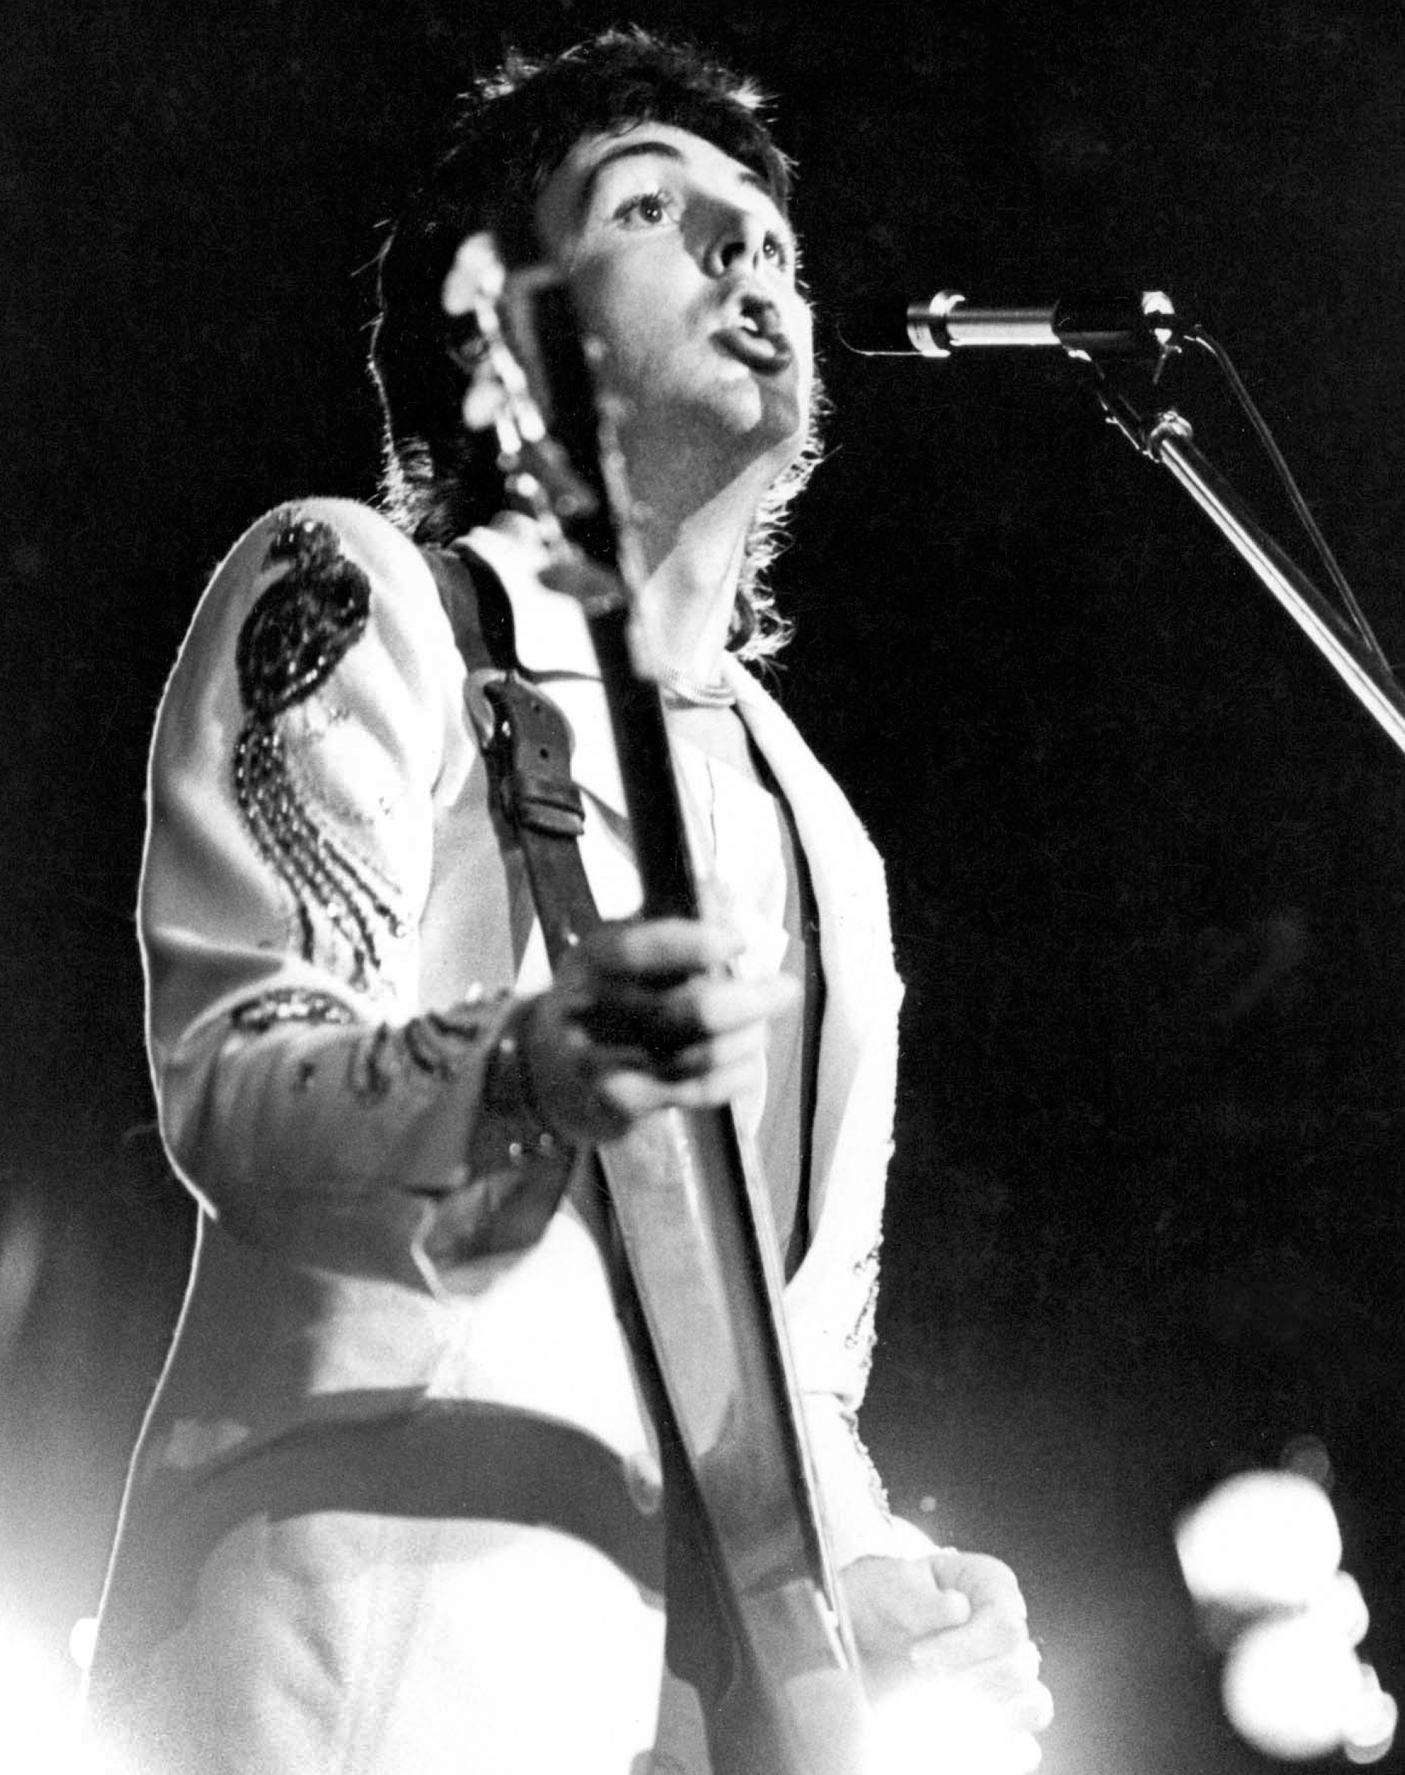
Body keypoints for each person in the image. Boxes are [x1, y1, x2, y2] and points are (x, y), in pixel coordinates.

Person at [86, 28, 1053, 1775]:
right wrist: (523, 1068)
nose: (745, 255)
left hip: (713, 1707)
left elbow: (782, 1364)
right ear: (500, 331)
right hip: (387, 1654)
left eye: (762, 230)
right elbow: (238, 1076)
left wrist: (882, 1568)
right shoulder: (364, 590)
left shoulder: (819, 827)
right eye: (653, 210)